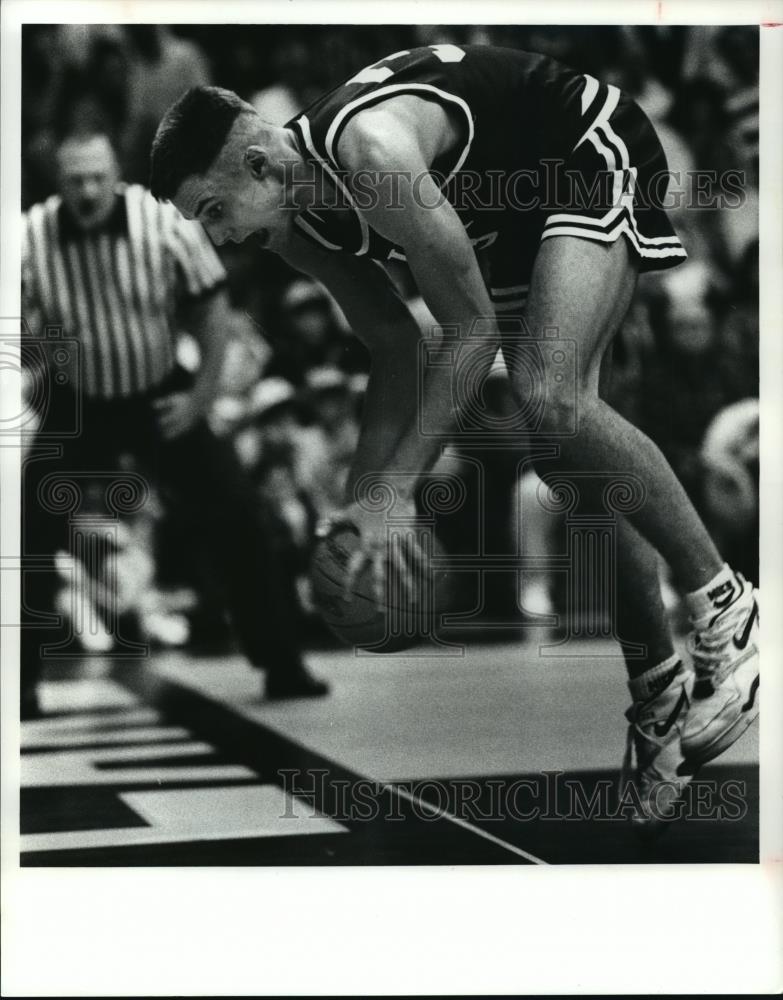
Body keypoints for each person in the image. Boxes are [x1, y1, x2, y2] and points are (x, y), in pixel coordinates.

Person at [150, 44, 759, 831]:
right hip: (497, 217)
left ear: (260, 164)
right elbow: (393, 345)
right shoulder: (291, 226)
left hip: (574, 148)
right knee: (567, 459)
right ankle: (658, 690)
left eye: (213, 211)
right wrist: (361, 508)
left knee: (549, 394)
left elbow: (468, 335)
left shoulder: (368, 154)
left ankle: (723, 604)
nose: (221, 237)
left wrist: (397, 491)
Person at [21, 131, 328, 715]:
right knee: (24, 531)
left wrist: (202, 396)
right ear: (56, 183)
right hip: (77, 398)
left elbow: (213, 310)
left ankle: (282, 662)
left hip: (158, 391)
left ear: (116, 174)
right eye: (73, 179)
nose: (87, 190)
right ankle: (19, 683)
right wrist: (34, 373)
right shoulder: (30, 235)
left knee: (238, 512)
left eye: (96, 177)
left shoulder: (160, 223)